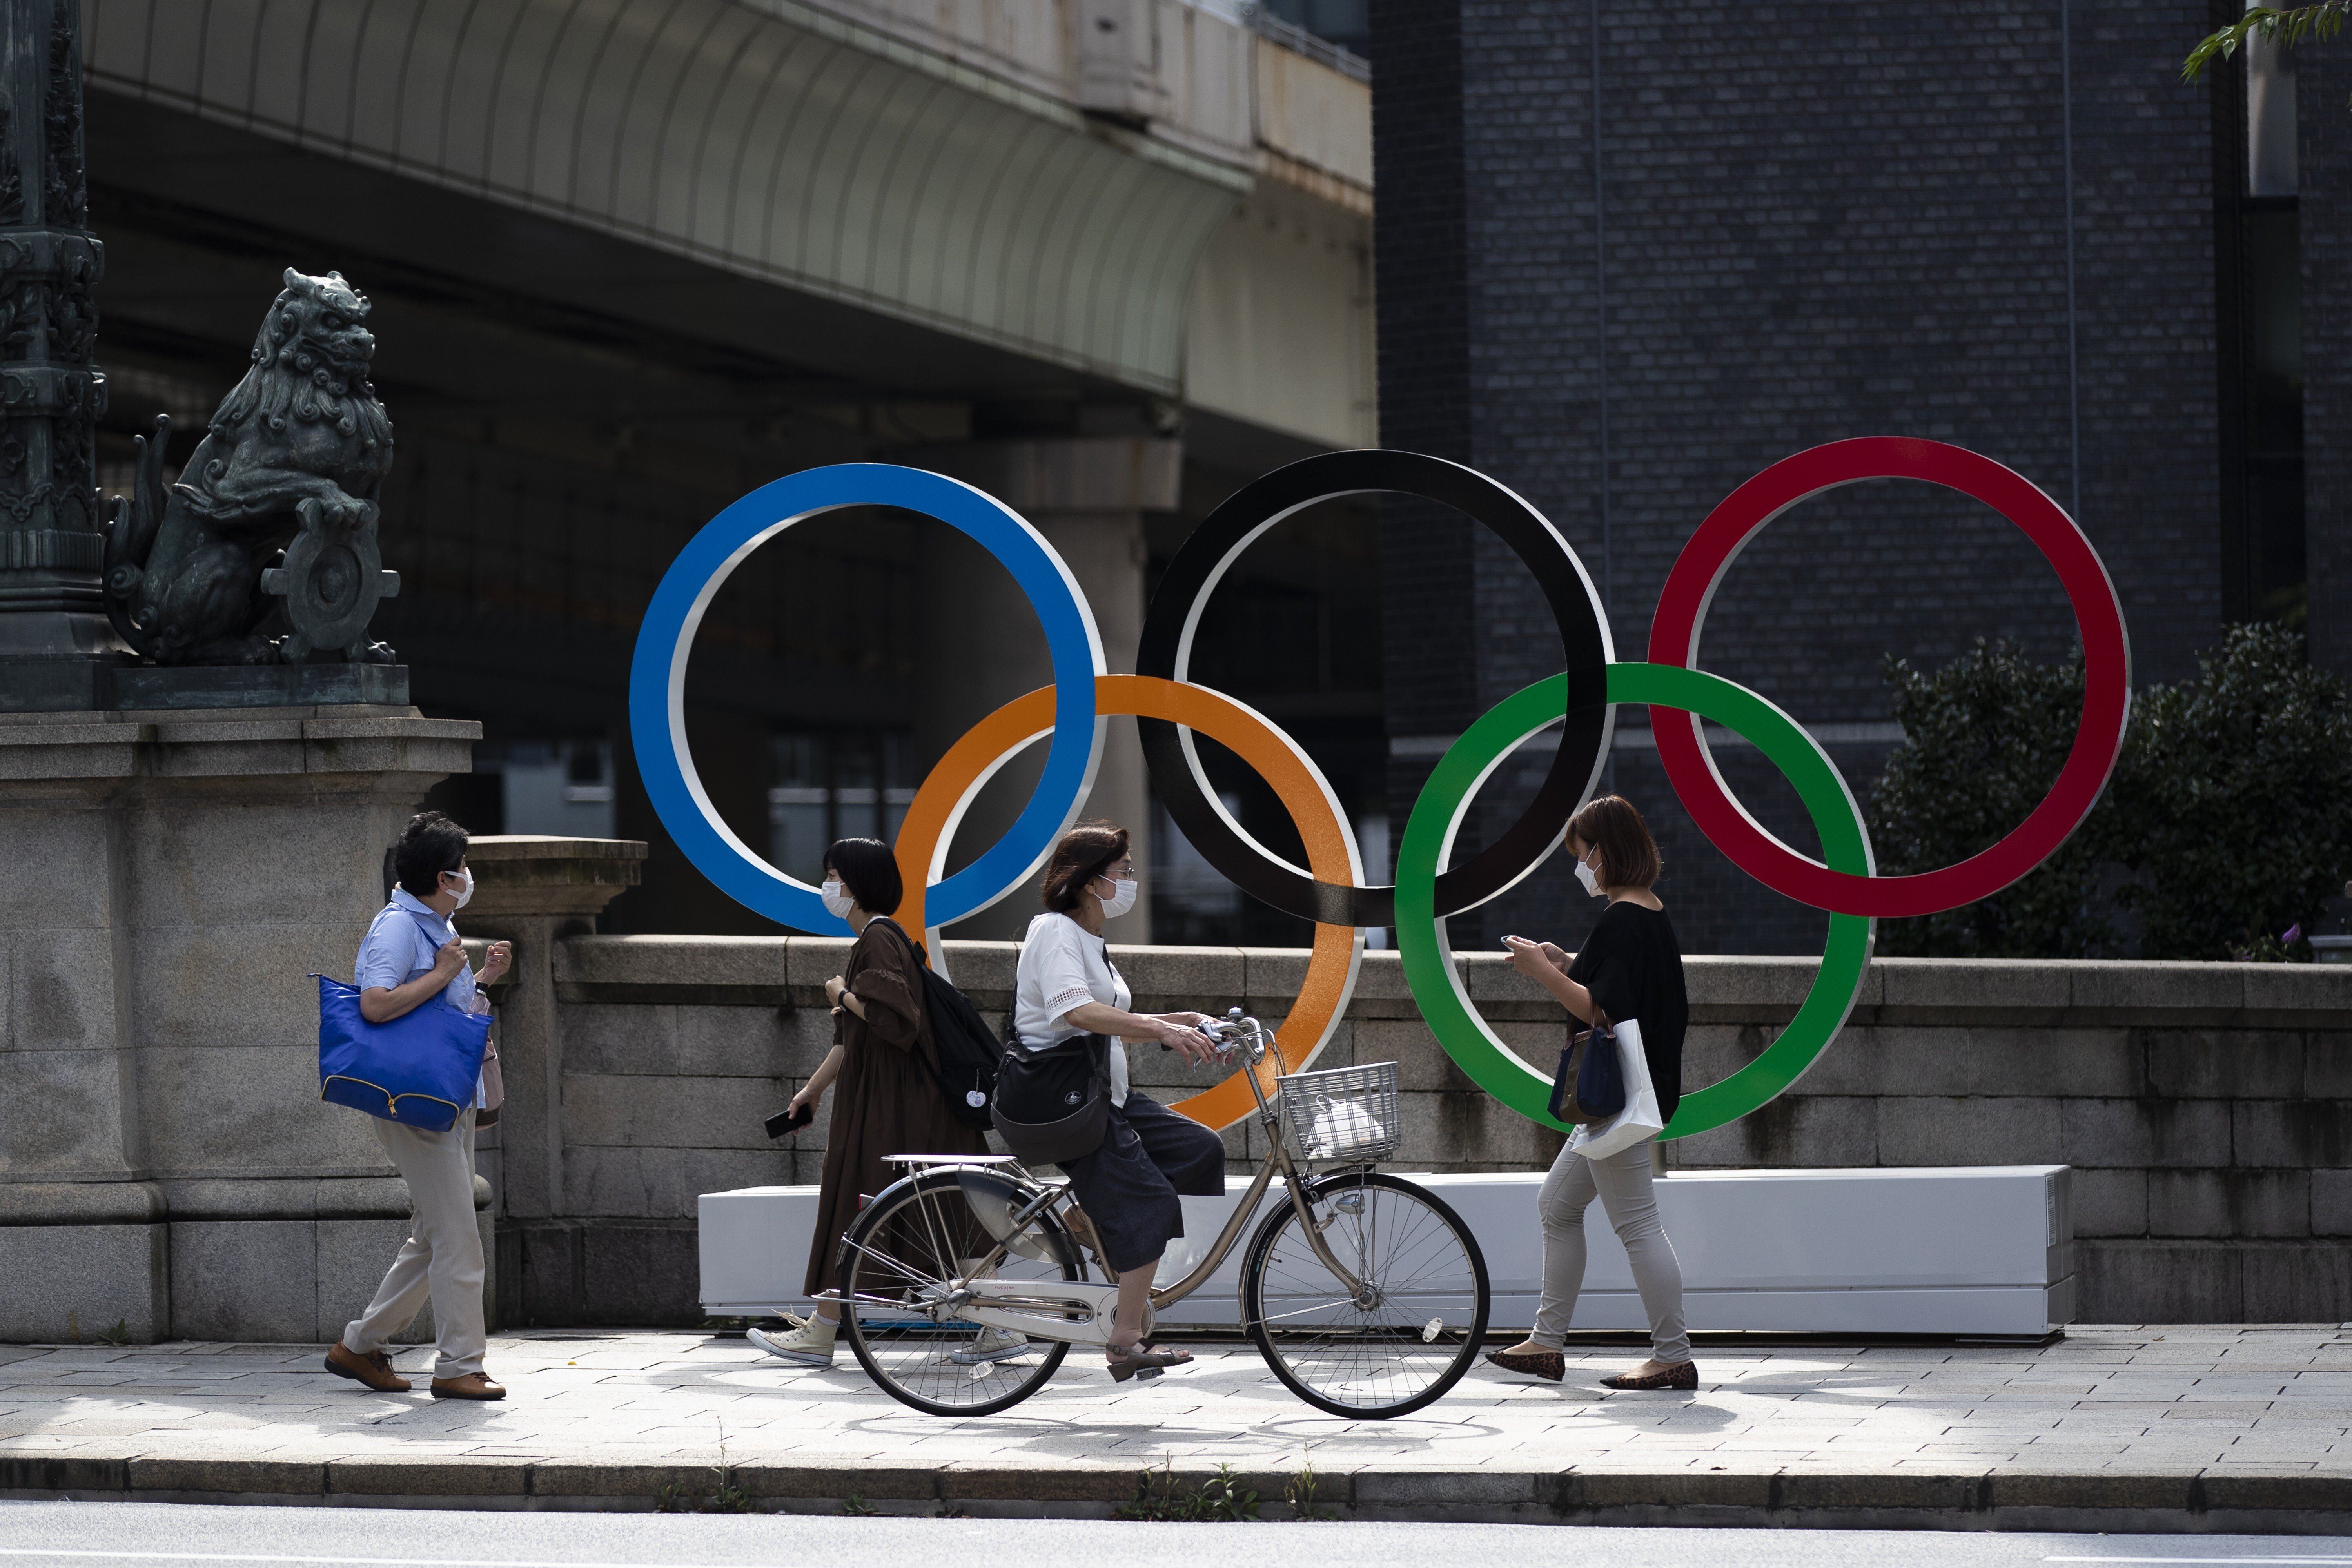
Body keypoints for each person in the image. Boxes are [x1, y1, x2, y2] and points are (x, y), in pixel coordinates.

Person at [748, 838, 1011, 1368]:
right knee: (941, 1206)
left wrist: (841, 994)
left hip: (896, 1104)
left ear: (856, 883)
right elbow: (850, 1043)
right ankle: (998, 1327)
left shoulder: (878, 940)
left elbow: (894, 1023)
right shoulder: (876, 940)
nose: (827, 886)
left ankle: (824, 1330)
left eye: (833, 876)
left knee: (861, 1200)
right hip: (899, 1099)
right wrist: (813, 1091)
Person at [1489, 795, 1697, 1392]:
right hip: (1636, 1091)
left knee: (1637, 1224)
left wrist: (1543, 973)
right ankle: (1547, 1343)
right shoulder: (1646, 911)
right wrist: (1565, 960)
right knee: (1557, 1206)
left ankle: (1673, 1355)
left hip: (1620, 1096)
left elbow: (1601, 1009)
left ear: (1605, 853)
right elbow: (1621, 987)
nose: (1579, 868)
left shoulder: (1621, 918)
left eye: (1581, 856)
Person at [1010, 820, 1227, 1381]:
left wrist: (1179, 1021)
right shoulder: (1054, 932)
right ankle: (1125, 1339)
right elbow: (1073, 1012)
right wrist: (1158, 1027)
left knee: (1200, 1149)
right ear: (1088, 880)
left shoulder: (1088, 939)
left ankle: (1099, 1220)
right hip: (1068, 1103)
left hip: (1108, 1095)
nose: (1130, 880)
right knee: (1152, 1205)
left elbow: (1108, 1021)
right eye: (1123, 871)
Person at [325, 811, 512, 1400]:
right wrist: (445, 973)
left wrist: (478, 979)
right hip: (414, 1102)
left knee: (435, 1234)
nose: (467, 878)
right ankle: (459, 1365)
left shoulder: (432, 924)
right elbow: (376, 1005)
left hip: (442, 1096)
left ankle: (359, 1347)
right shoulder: (400, 927)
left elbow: (435, 1014)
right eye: (461, 870)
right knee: (458, 1234)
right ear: (441, 877)